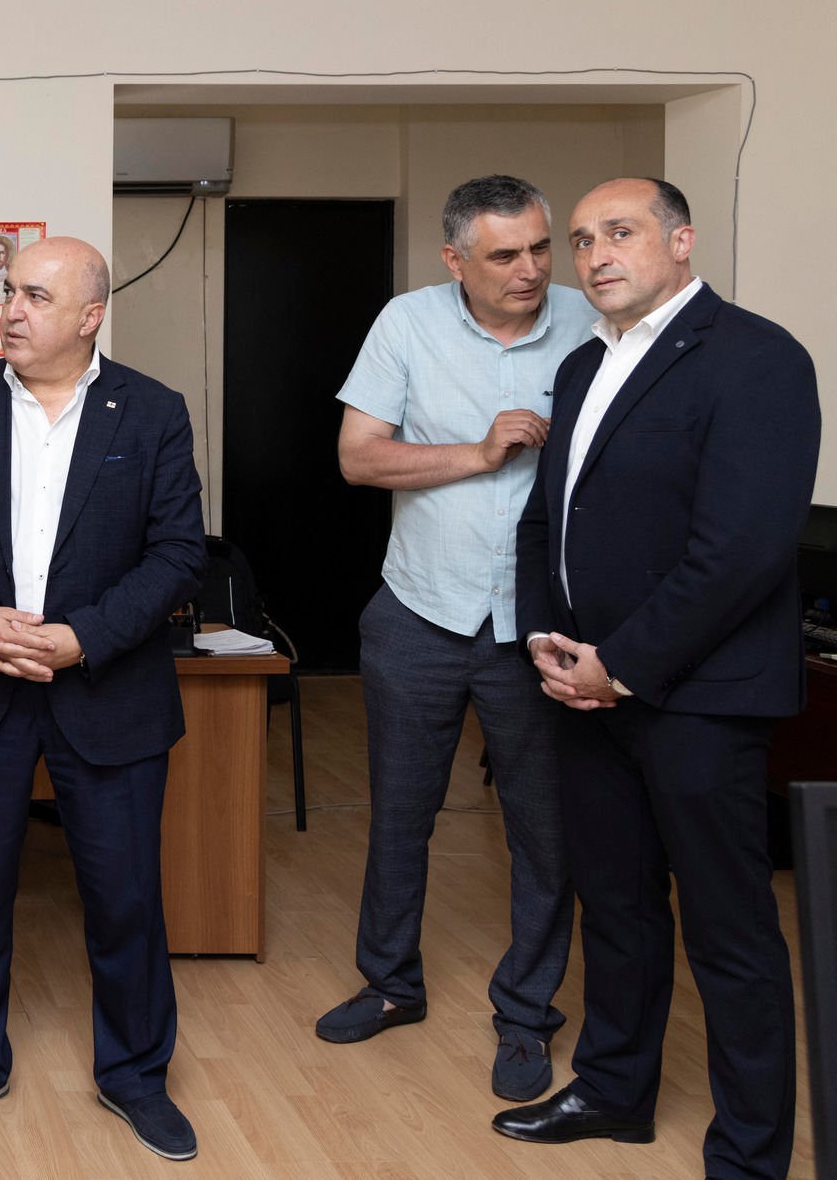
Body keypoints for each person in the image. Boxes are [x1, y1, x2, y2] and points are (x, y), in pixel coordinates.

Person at [493, 178, 817, 1177]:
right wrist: (545, 636)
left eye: (620, 232)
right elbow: (547, 516)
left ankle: (749, 1153)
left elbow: (740, 551)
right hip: (582, 690)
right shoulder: (584, 361)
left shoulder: (757, 358)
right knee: (617, 908)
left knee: (729, 932)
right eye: (582, 238)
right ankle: (613, 1090)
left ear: (680, 241)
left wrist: (621, 666)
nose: (594, 254)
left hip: (698, 698)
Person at [0, 237, 208, 1160]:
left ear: (90, 316)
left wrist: (84, 637)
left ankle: (135, 1074)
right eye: (9, 292)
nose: (11, 311)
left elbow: (178, 552)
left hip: (107, 691)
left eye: (35, 296)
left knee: (124, 896)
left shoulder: (152, 411)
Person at [317, 175, 594, 1099]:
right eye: (505, 254)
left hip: (540, 625)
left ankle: (528, 1013)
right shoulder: (408, 323)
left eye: (541, 248)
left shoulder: (591, 323)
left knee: (543, 834)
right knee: (400, 816)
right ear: (454, 260)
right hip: (422, 611)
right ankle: (390, 984)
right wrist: (477, 452)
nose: (532, 269)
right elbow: (359, 458)